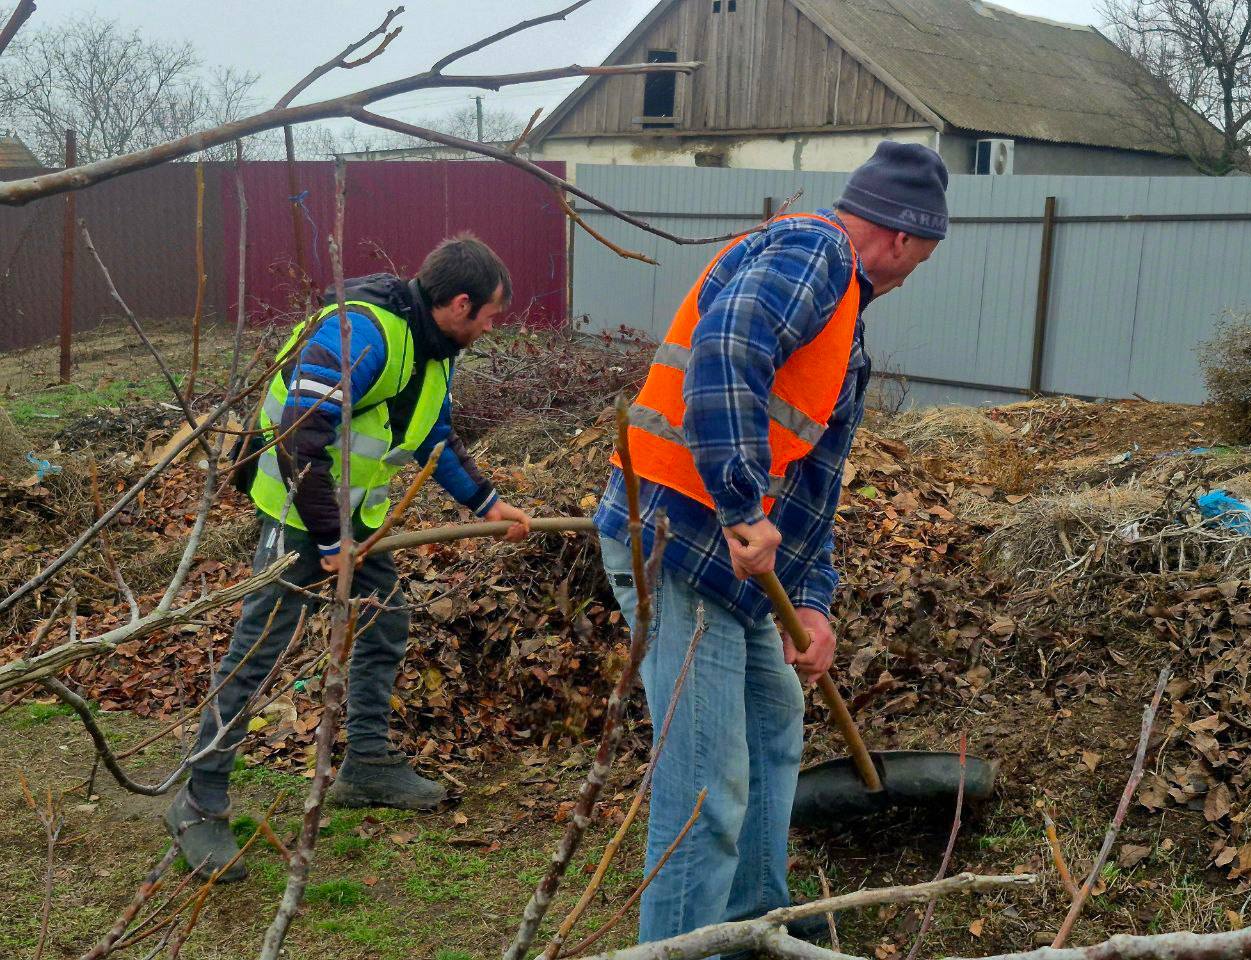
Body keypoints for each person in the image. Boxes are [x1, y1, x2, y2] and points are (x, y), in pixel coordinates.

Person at [594, 141, 949, 946]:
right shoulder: (813, 251)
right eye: (917, 261)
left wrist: (815, 605)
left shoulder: (841, 322)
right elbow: (725, 353)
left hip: (736, 563)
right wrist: (740, 503)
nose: (907, 276)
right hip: (680, 547)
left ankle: (758, 927)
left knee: (774, 728)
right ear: (898, 239)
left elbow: (814, 486)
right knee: (705, 788)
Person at [165, 234, 532, 881]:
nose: (493, 328)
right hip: (298, 514)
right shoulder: (362, 333)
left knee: (386, 618)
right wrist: (330, 541)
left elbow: (433, 437)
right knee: (258, 654)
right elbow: (297, 435)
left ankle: (365, 764)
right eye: (492, 316)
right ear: (460, 303)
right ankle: (198, 802)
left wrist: (487, 504)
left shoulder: (434, 350)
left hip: (351, 521)